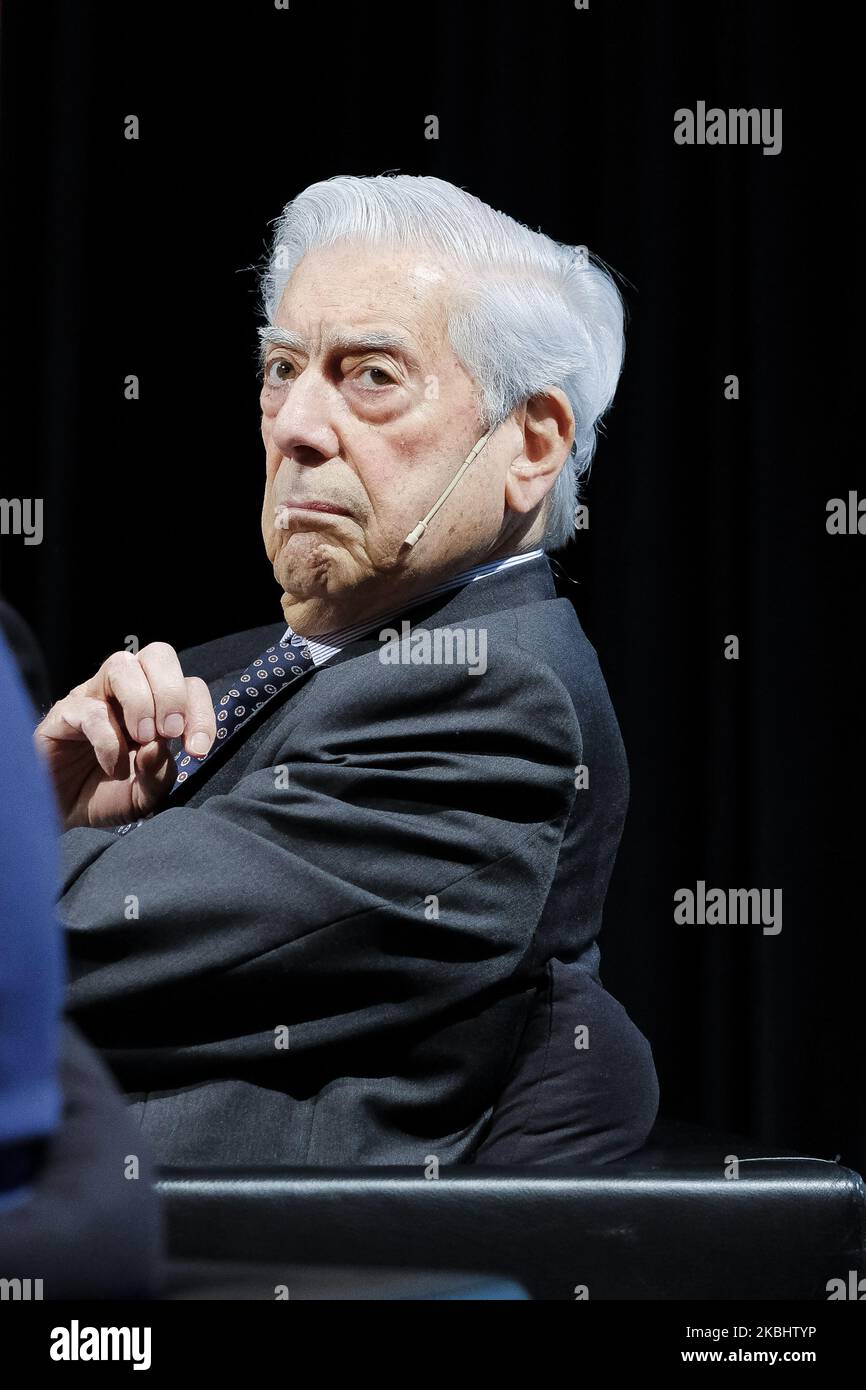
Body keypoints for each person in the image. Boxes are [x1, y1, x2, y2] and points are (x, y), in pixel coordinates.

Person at [35, 174, 658, 1167]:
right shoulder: (247, 668)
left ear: (531, 445)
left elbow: (52, 955)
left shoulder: (492, 700)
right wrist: (50, 809)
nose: (296, 426)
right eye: (283, 369)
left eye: (371, 375)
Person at [0, 610, 161, 1297]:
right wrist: (32, 807)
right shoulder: (204, 662)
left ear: (524, 491)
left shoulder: (489, 685)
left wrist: (23, 834)